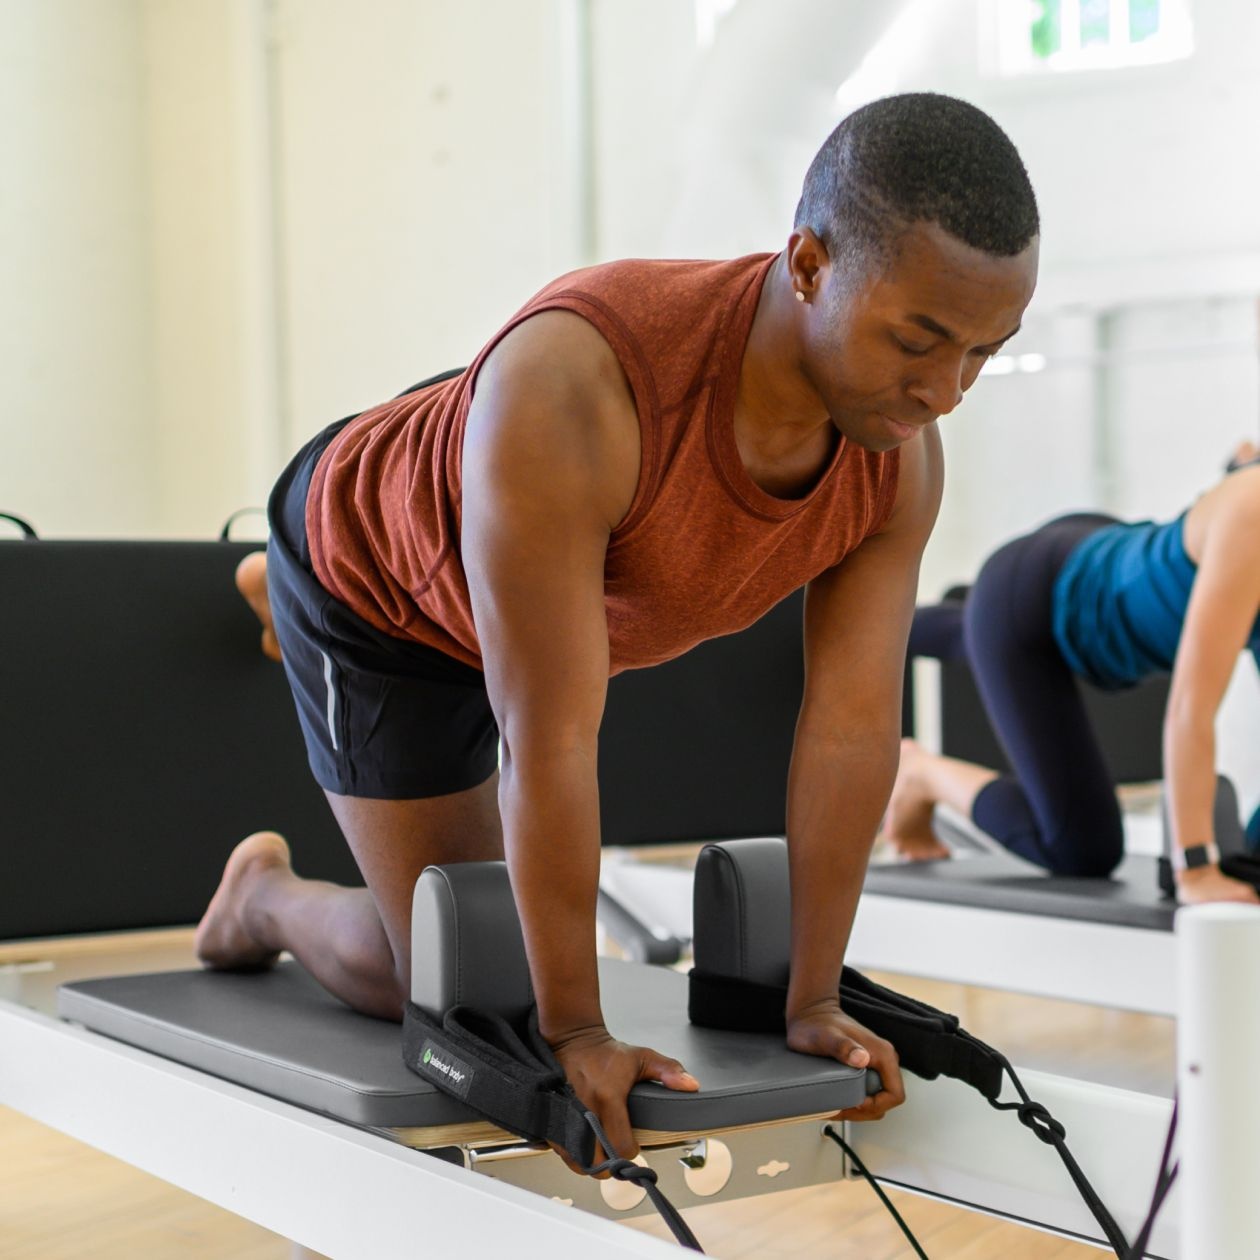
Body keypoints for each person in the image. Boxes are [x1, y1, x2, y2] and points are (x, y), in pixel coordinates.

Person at [195, 92, 1040, 1162]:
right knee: (455, 990)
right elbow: (547, 736)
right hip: (378, 582)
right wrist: (575, 1030)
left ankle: (301, 591)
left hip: (516, 509)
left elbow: (851, 721)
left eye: (984, 352)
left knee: (493, 921)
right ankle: (263, 893)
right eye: (919, 341)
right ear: (811, 265)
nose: (947, 390)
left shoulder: (897, 453)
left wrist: (814, 998)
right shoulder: (582, 386)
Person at [888, 444, 1260, 907]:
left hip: (1090, 559)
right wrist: (1197, 869)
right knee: (1081, 847)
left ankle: (959, 619)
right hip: (1035, 601)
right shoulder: (1253, 513)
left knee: (977, 637)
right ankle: (920, 773)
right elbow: (1189, 710)